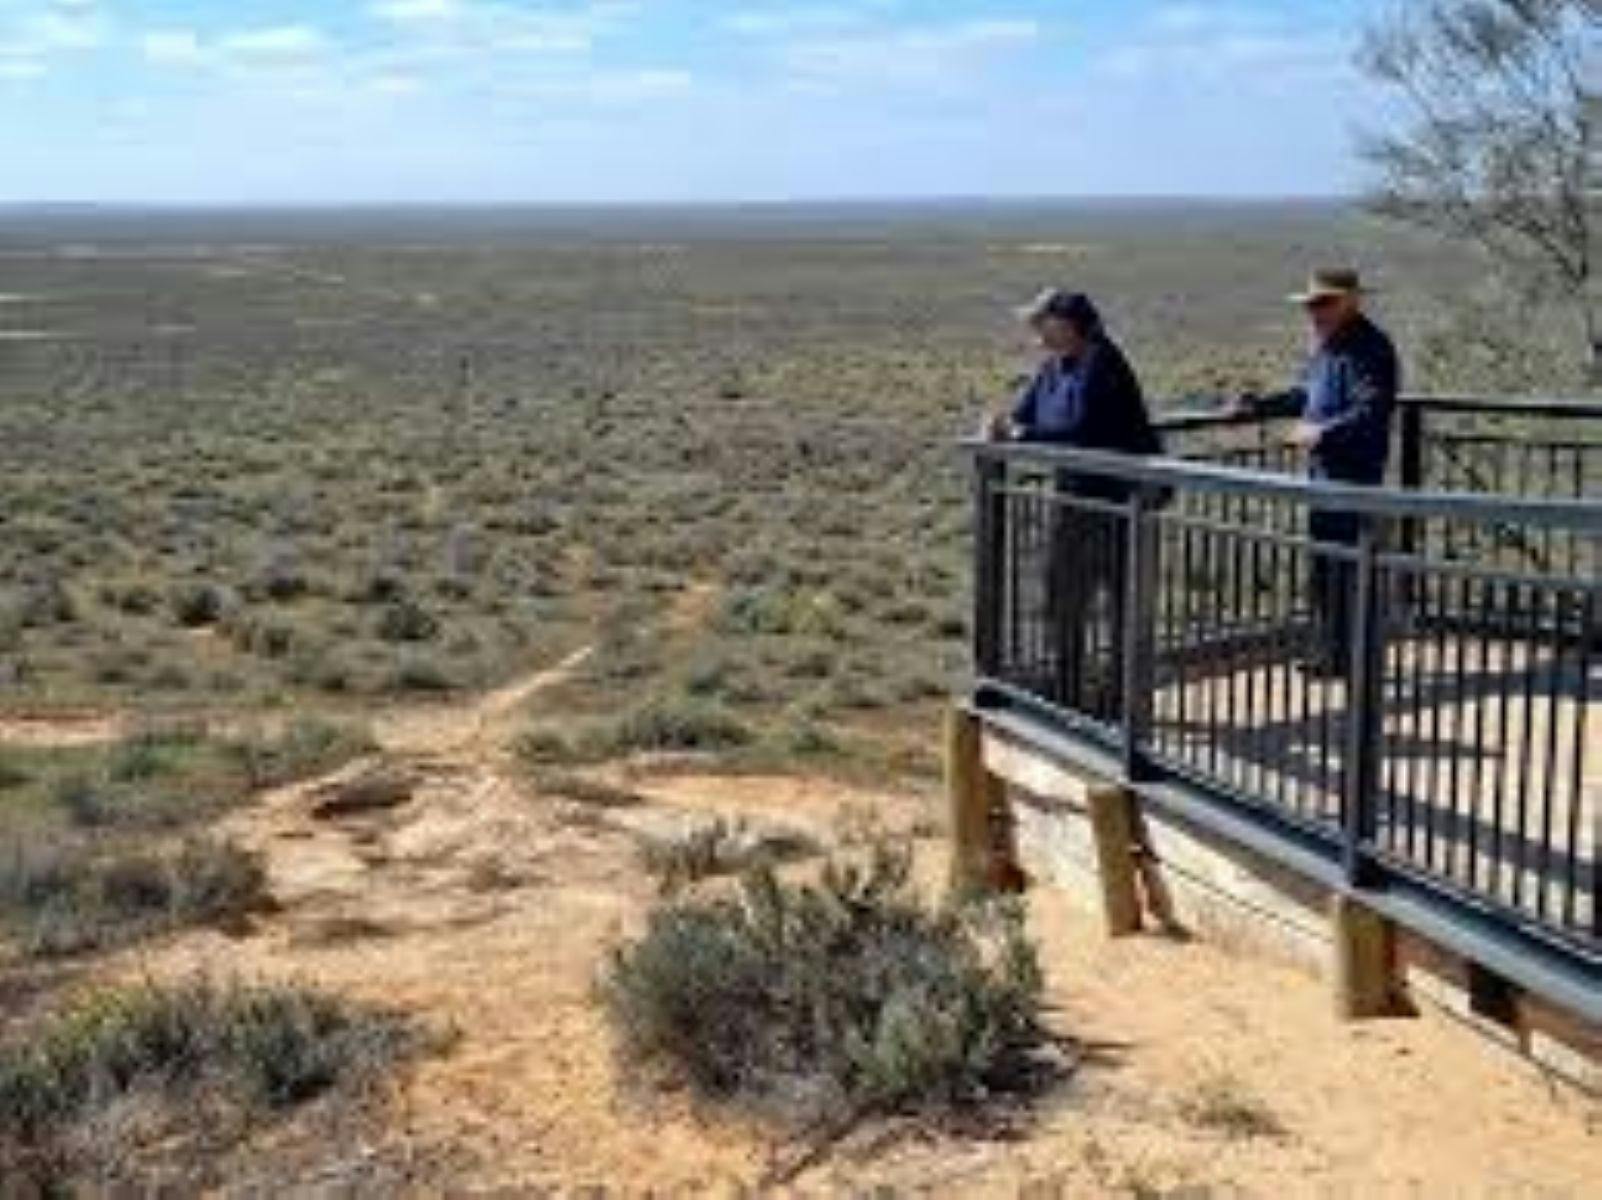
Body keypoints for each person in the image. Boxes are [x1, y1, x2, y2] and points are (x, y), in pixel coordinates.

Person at [990, 289, 1163, 719]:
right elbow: (1026, 414)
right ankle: (1070, 688)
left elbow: (1079, 429)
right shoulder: (1053, 366)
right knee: (1064, 598)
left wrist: (1023, 436)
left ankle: (1120, 698)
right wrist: (1008, 426)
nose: (1036, 332)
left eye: (1042, 323)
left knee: (1118, 602)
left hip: (1116, 502)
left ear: (1068, 325)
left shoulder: (1101, 363)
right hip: (1072, 499)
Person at [1239, 268, 1401, 677]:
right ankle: (1331, 653)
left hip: (1353, 475)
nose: (1315, 311)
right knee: (1326, 566)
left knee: (1349, 569)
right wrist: (1259, 406)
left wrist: (1321, 434)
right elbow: (1305, 397)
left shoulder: (1371, 348)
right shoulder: (1327, 348)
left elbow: (1371, 411)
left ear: (1352, 302)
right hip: (1325, 474)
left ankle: (1354, 658)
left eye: (1324, 302)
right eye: (1311, 304)